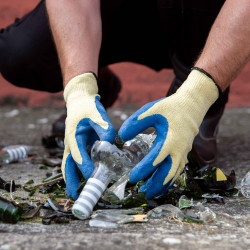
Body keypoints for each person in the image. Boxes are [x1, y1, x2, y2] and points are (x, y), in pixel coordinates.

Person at [0, 0, 249, 200]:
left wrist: (195, 97)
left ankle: (195, 94)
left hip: (202, 17)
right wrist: (79, 89)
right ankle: (98, 85)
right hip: (128, 10)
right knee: (20, 53)